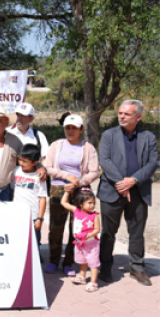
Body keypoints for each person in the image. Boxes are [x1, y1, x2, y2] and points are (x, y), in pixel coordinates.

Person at [98, 100, 158, 286]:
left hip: (139, 192)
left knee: (137, 232)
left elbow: (153, 162)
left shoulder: (148, 137)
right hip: (112, 191)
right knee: (108, 232)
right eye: (120, 113)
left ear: (138, 117)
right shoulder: (109, 134)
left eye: (127, 114)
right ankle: (105, 267)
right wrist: (122, 183)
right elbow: (105, 160)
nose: (121, 116)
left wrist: (133, 181)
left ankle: (137, 267)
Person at [44, 114, 99, 277]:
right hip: (58, 189)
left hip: (80, 192)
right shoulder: (56, 145)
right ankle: (54, 260)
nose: (70, 131)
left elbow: (94, 171)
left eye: (74, 128)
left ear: (81, 129)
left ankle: (69, 262)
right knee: (55, 227)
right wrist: (66, 177)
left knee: (77, 229)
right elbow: (47, 167)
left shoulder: (88, 148)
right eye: (67, 127)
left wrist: (79, 182)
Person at [61, 188, 101, 292]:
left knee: (93, 263)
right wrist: (67, 192)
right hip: (79, 243)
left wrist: (90, 234)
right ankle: (82, 276)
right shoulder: (76, 211)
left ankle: (93, 282)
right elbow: (63, 202)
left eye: (94, 203)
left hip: (91, 244)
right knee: (82, 261)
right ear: (80, 203)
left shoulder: (94, 215)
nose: (92, 205)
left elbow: (97, 229)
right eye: (89, 203)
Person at [11, 144, 47, 249]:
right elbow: (12, 191)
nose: (21, 163)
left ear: (35, 163)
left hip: (33, 216)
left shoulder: (39, 176)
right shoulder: (15, 171)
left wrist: (40, 218)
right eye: (20, 160)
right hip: (17, 214)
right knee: (17, 241)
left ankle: (34, 261)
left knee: (33, 244)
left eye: (25, 161)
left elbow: (42, 199)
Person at [7, 103, 49, 187]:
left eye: (23, 115)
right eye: (17, 115)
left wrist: (43, 169)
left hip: (32, 182)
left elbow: (45, 159)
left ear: (31, 119)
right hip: (11, 182)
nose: (19, 118)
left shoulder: (39, 136)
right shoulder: (8, 134)